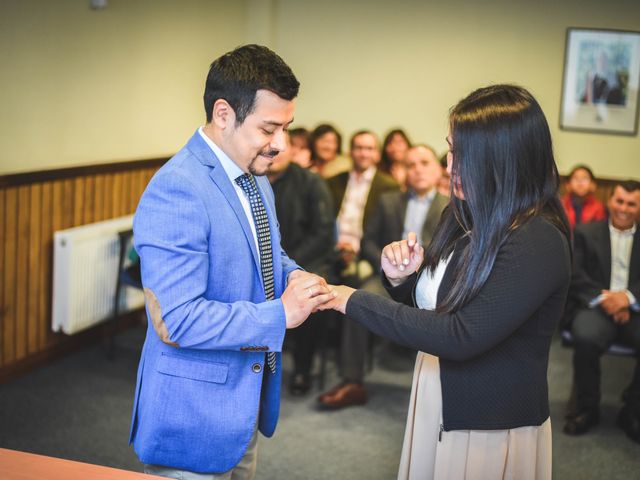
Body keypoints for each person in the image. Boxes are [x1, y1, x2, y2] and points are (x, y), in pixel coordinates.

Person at [320, 84, 571, 479]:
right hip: (436, 391)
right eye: (450, 149)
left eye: (462, 154)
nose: (449, 164)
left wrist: (351, 299)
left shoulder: (537, 239)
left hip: (488, 419)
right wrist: (403, 279)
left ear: (502, 159)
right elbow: (438, 304)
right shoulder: (461, 213)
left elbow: (460, 333)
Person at [130, 44, 334, 479]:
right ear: (223, 114)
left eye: (287, 128)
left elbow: (267, 254)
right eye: (268, 129)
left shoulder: (253, 176)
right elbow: (178, 320)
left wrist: (297, 277)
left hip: (241, 404)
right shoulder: (177, 189)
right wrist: (280, 314)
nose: (281, 145)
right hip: (194, 416)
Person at [317, 130, 398, 408]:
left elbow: (384, 234)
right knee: (309, 282)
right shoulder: (333, 182)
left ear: (376, 153)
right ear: (350, 151)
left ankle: (349, 372)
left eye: (369, 148)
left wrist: (358, 251)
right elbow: (324, 223)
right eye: (358, 147)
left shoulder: (388, 186)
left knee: (356, 290)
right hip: (333, 251)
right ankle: (306, 362)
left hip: (364, 255)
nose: (363, 153)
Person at [563, 181, 640, 442]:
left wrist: (627, 299)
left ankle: (633, 411)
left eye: (631, 203)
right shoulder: (586, 232)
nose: (624, 208)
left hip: (634, 309)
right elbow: (576, 275)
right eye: (620, 201)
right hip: (595, 304)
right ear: (610, 201)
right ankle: (587, 408)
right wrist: (609, 300)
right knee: (585, 336)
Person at [267, 131, 336, 395]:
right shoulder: (255, 180)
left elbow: (323, 233)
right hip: (270, 263)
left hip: (308, 260)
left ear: (292, 152)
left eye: (281, 149)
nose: (275, 154)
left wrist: (291, 267)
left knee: (310, 293)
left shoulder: (311, 182)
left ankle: (302, 369)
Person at [561, 164, 607, 230]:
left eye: (585, 178)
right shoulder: (561, 204)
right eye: (575, 178)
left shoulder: (598, 207)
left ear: (593, 185)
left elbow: (598, 231)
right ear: (568, 185)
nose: (580, 182)